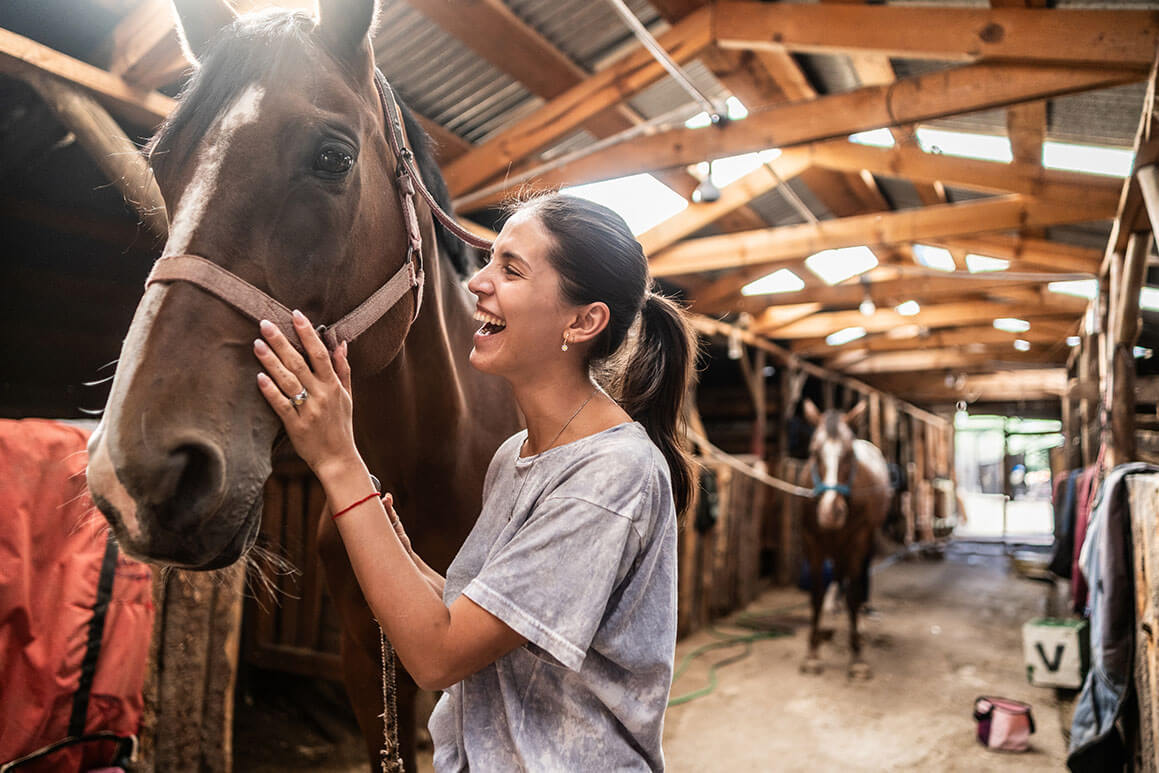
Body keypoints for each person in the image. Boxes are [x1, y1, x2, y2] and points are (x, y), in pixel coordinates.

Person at [252, 193, 696, 771]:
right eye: (489, 261)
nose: (476, 284)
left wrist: (340, 461)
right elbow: (482, 618)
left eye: (511, 269)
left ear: (583, 321)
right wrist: (403, 556)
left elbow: (438, 656)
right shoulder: (517, 454)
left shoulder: (611, 476)